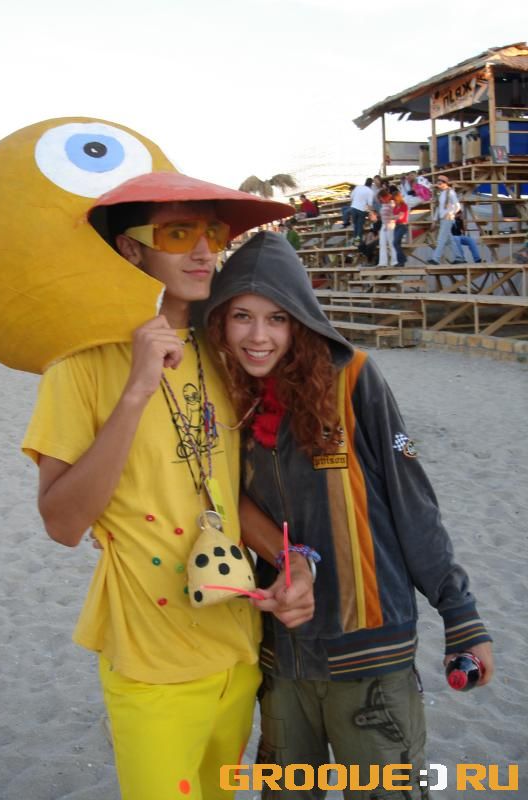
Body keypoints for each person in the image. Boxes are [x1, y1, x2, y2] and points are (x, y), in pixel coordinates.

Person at [21, 174, 311, 800]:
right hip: (151, 663)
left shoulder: (223, 352)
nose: (204, 251)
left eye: (213, 233)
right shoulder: (80, 366)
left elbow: (218, 491)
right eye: (178, 234)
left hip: (236, 646)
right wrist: (136, 392)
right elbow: (62, 524)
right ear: (131, 249)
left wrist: (290, 561)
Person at [204, 231, 494, 800]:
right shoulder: (223, 394)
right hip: (282, 657)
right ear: (220, 321)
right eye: (242, 316)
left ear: (300, 318)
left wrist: (461, 615)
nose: (259, 336)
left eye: (277, 318)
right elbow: (215, 499)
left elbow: (414, 504)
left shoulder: (354, 377)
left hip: (371, 655)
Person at [428, 175, 461, 265]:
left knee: (441, 239)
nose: (439, 185)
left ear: (445, 183)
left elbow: (457, 206)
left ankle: (436, 258)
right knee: (450, 240)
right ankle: (459, 257)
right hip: (443, 219)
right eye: (438, 183)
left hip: (448, 218)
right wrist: (435, 219)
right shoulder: (441, 193)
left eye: (440, 183)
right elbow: (439, 208)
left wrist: (451, 213)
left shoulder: (451, 192)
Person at [349, 178, 374, 244]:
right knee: (359, 227)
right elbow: (370, 204)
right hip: (361, 210)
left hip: (353, 208)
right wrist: (371, 212)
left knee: (355, 226)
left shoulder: (358, 187)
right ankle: (357, 242)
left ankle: (354, 241)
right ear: (371, 184)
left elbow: (351, 197)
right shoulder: (370, 191)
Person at [377, 188, 396, 266]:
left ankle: (394, 261)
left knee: (391, 243)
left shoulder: (392, 203)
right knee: (382, 243)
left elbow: (394, 214)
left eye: (381, 197)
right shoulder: (383, 204)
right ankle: (383, 262)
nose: (380, 199)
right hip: (384, 225)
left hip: (390, 224)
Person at [392, 189, 409, 267]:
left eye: (395, 199)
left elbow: (400, 216)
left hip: (402, 225)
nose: (394, 201)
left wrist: (392, 217)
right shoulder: (395, 206)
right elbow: (395, 216)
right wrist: (394, 217)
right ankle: (401, 261)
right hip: (397, 225)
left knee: (395, 242)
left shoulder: (404, 205)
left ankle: (403, 259)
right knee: (397, 243)